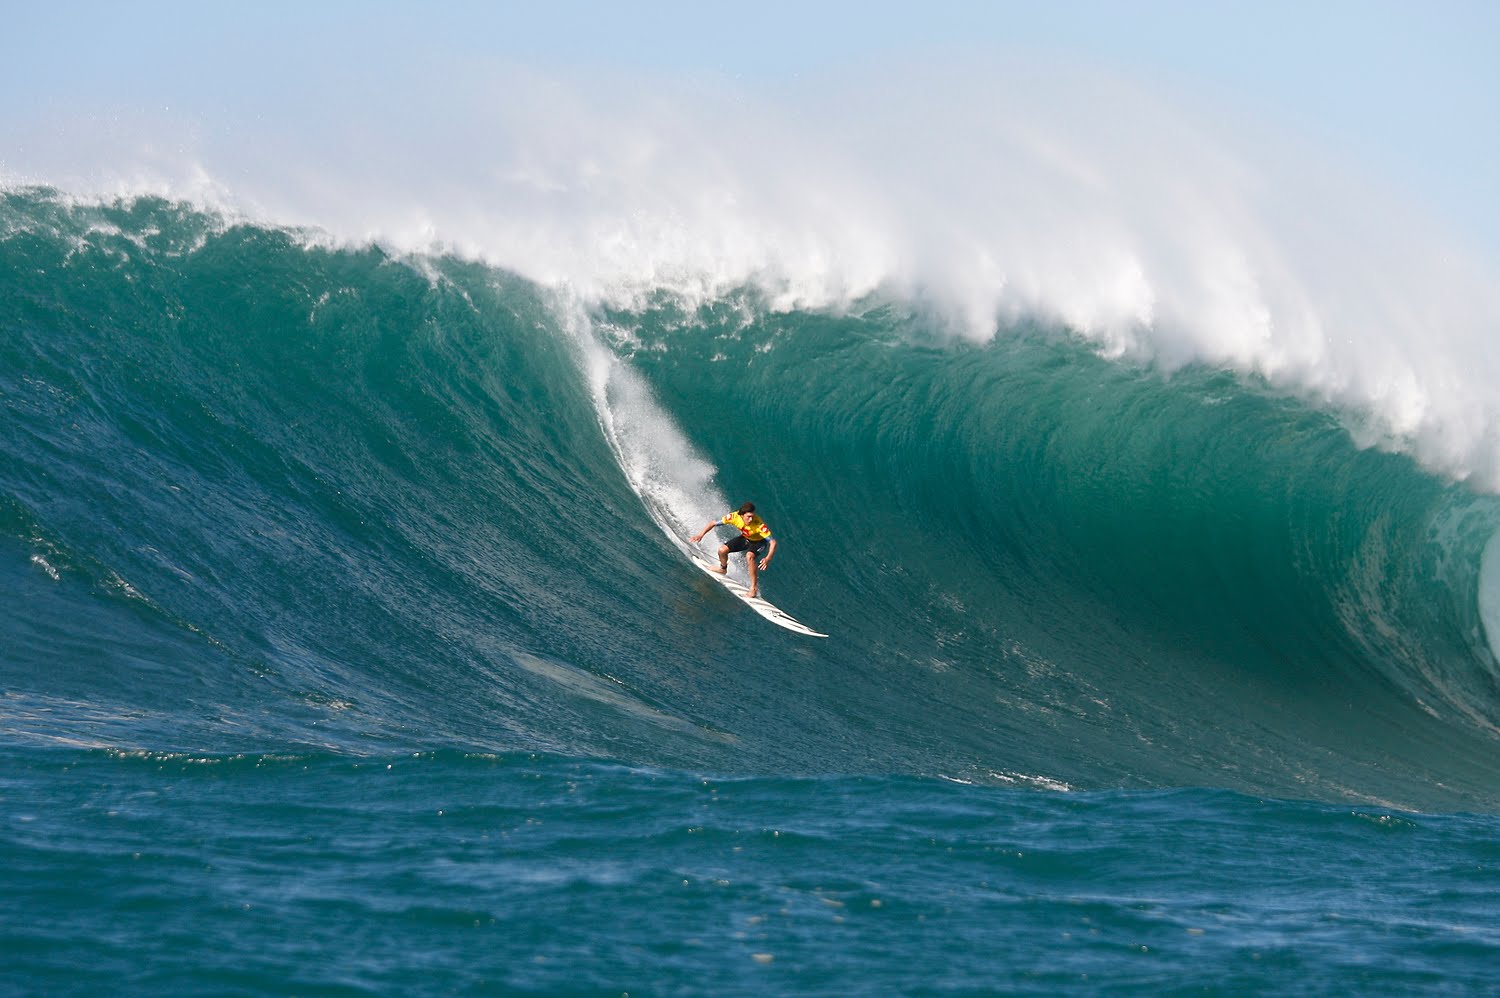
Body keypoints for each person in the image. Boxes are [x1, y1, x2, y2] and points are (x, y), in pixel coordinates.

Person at [691, 501, 777, 599]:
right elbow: (713, 523)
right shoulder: (734, 517)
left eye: (752, 516)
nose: (751, 519)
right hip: (746, 538)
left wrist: (768, 558)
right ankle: (723, 569)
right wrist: (700, 534)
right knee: (722, 550)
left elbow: (773, 542)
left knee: (749, 556)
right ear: (741, 515)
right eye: (748, 516)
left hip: (759, 542)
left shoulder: (758, 524)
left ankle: (753, 589)